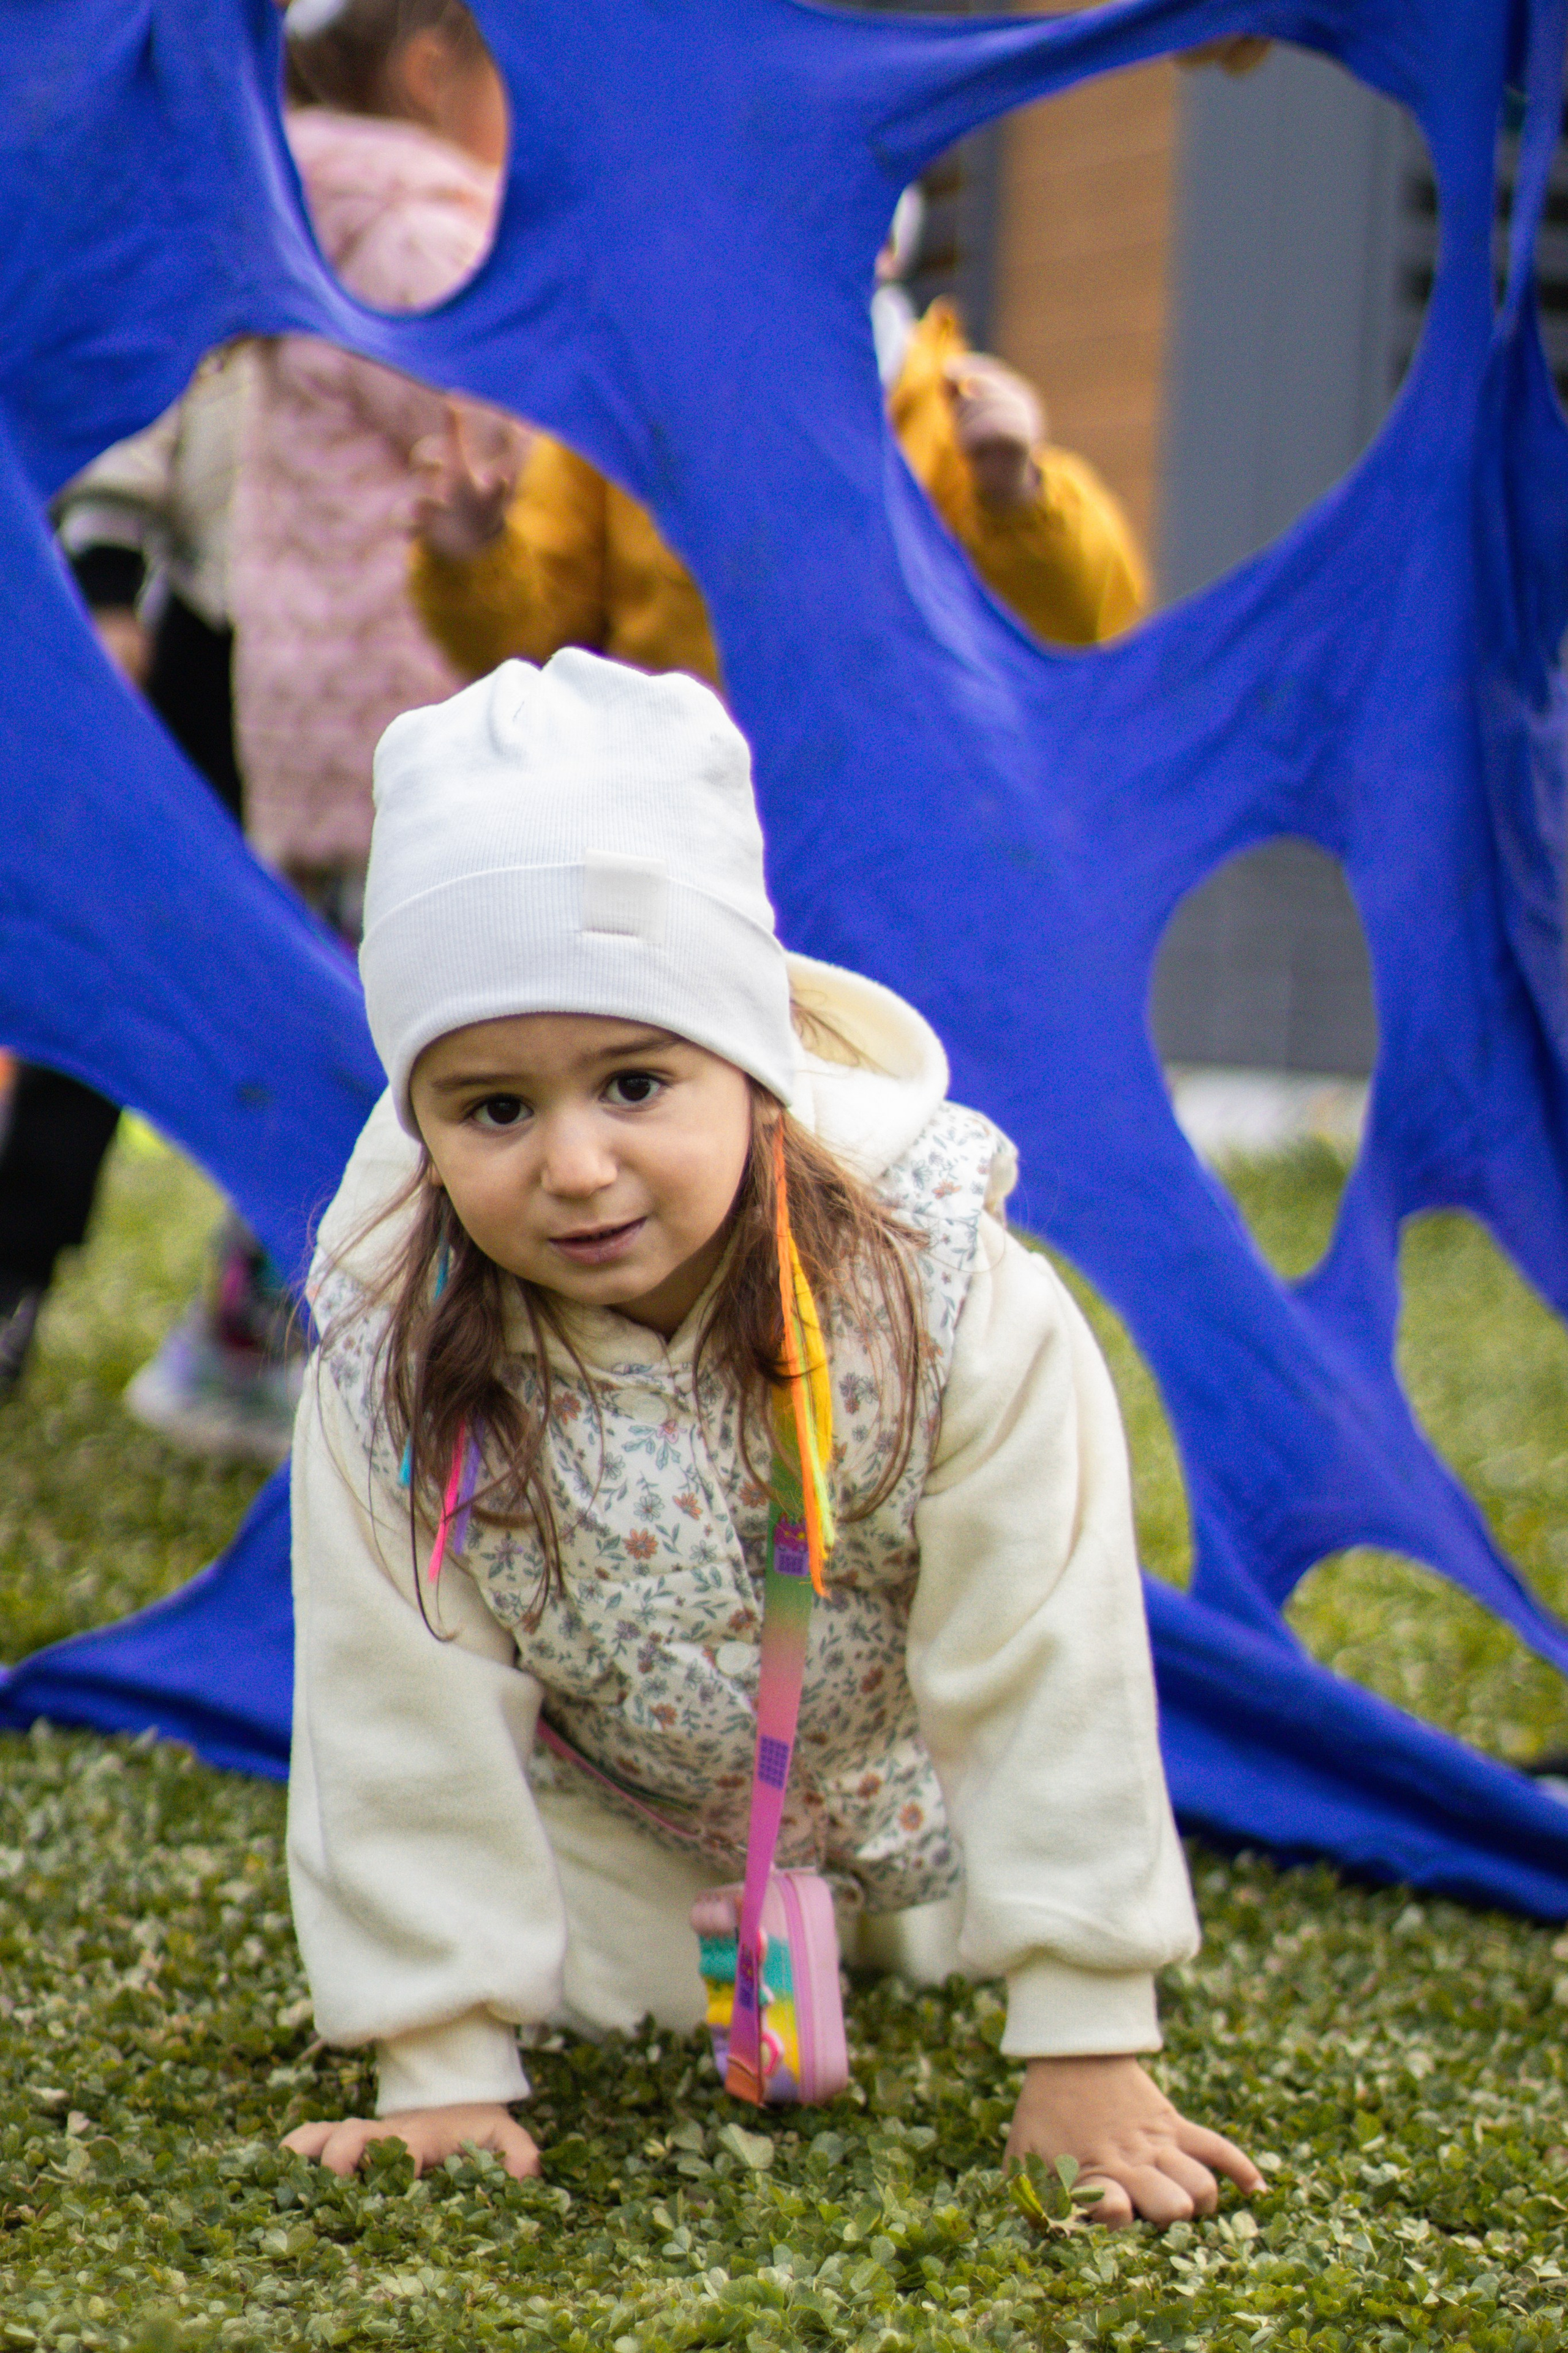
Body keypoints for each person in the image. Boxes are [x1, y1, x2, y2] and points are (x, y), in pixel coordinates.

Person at [281, 649, 1262, 2227]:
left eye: (635, 1079)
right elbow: (392, 1705)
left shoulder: (949, 1298)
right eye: (492, 1108)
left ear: (756, 1065)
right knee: (612, 1993)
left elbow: (1046, 1641)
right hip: (623, 1867)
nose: (579, 1163)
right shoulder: (391, 1366)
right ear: (421, 1118)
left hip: (919, 1837)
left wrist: (1086, 2025)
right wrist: (439, 2054)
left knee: (957, 1898)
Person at [404, 195, 1147, 687]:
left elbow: (1081, 624)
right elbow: (529, 646)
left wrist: (1017, 494)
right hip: (672, 825)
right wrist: (477, 557)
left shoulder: (950, 420)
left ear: (886, 247)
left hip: (878, 831)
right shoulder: (639, 402)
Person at [0, 350, 252, 1404]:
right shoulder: (259, 207)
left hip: (396, 669)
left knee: (355, 997)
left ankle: (280, 1318)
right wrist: (107, 588)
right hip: (202, 631)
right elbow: (136, 396)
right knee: (110, 965)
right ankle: (16, 1261)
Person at [229, 0, 512, 926]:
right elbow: (512, 434)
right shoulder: (418, 235)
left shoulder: (310, 219)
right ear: (431, 75)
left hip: (311, 733)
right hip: (418, 723)